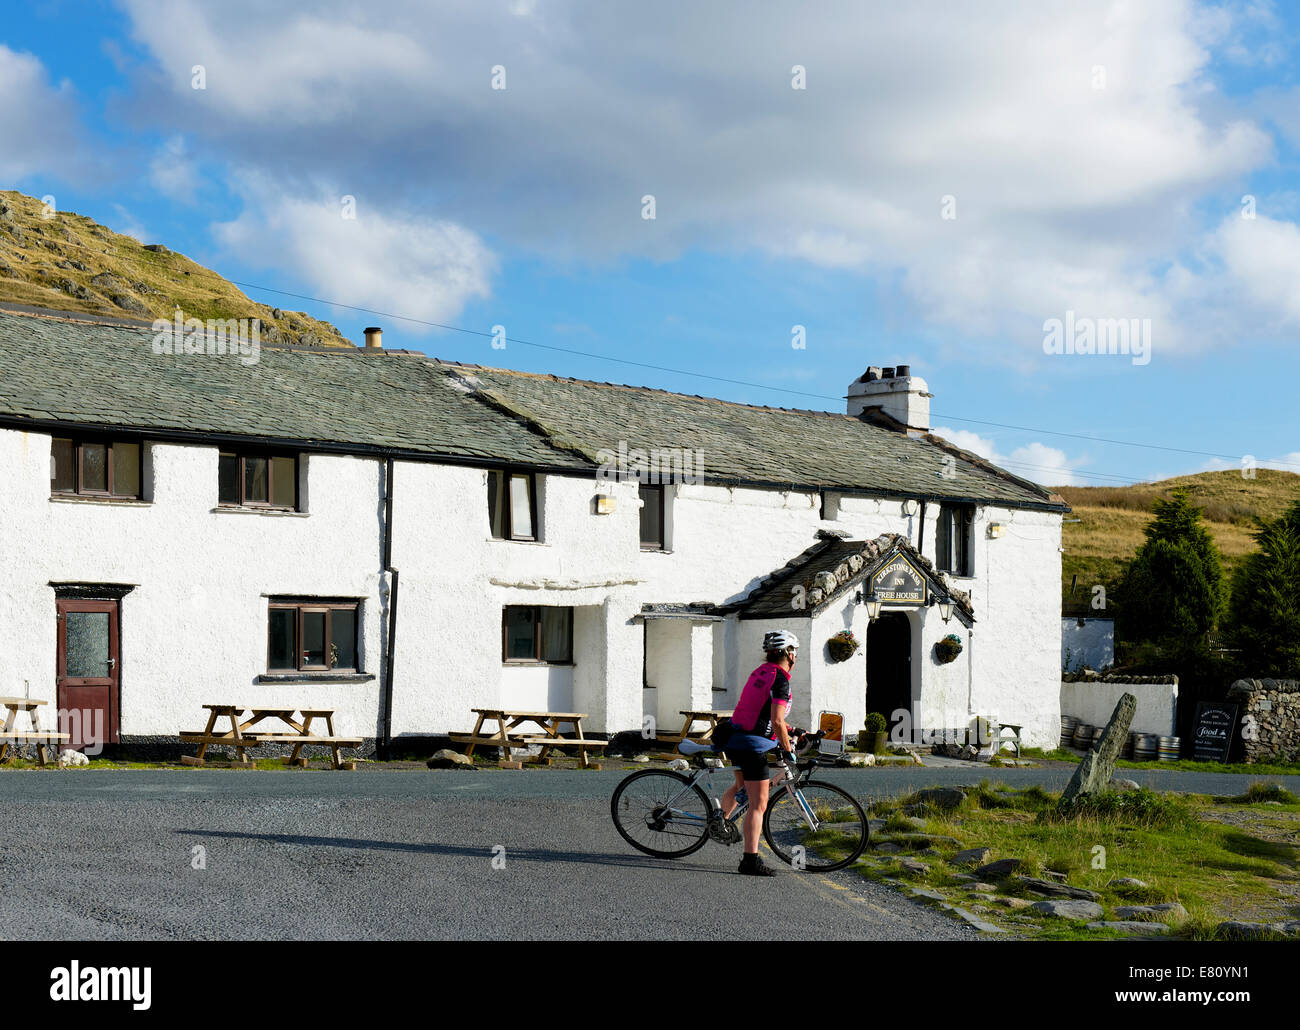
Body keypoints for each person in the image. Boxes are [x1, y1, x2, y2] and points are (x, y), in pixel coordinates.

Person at [716, 630, 799, 876]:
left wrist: (793, 730)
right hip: (752, 745)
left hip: (735, 736)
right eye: (795, 652)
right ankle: (749, 861)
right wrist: (787, 750)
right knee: (758, 804)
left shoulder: (761, 672)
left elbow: (758, 712)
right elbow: (776, 720)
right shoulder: (781, 679)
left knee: (742, 788)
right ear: (790, 654)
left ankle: (719, 822)